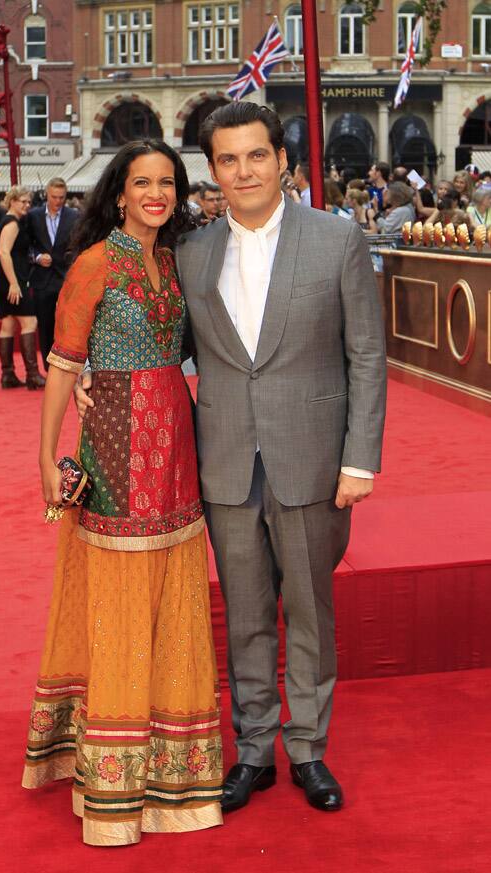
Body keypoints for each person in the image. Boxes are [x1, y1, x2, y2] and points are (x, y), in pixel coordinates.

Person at [74, 105, 387, 816]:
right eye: (227, 160)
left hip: (313, 460)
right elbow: (158, 340)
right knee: (244, 614)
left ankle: (307, 748)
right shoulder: (192, 252)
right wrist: (96, 371)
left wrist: (360, 458)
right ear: (211, 171)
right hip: (222, 464)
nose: (243, 171)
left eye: (255, 156)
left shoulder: (336, 240)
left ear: (283, 160)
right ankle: (253, 749)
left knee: (308, 611)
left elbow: (366, 354)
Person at [22, 140, 223, 847]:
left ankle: (174, 772)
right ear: (117, 193)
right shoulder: (94, 265)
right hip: (112, 445)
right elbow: (61, 364)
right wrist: (46, 457)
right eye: (143, 182)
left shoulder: (177, 260)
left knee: (172, 593)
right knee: (118, 595)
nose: (157, 194)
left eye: (167, 182)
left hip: (176, 443)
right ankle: (111, 781)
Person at [0, 186, 45, 390]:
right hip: (11, 278)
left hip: (8, 277)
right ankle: (32, 375)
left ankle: (8, 375)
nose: (27, 205)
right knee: (29, 322)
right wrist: (14, 283)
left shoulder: (10, 221)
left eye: (28, 202)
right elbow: (4, 253)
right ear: (12, 201)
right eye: (22, 201)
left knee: (8, 325)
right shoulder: (12, 223)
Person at [27, 178, 80, 370]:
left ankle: (69, 366)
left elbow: (80, 246)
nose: (58, 201)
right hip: (42, 280)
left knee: (69, 325)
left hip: (66, 278)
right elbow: (26, 246)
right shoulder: (33, 216)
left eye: (61, 197)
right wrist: (38, 257)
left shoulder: (74, 216)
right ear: (46, 195)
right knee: (45, 325)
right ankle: (49, 368)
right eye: (54, 197)